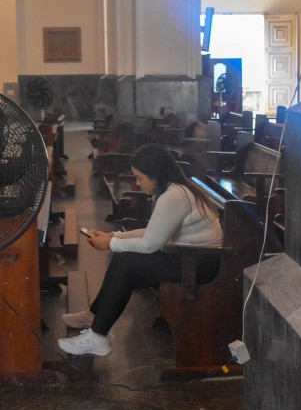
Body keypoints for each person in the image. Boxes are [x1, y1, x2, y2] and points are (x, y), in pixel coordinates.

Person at [57, 143, 224, 357]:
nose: (136, 183)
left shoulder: (174, 196)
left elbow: (150, 244)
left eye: (139, 178)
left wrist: (109, 244)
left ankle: (97, 337)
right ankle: (95, 317)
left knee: (126, 263)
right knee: (124, 259)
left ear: (156, 175)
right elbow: (154, 231)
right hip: (187, 254)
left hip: (199, 263)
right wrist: (114, 236)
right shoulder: (174, 189)